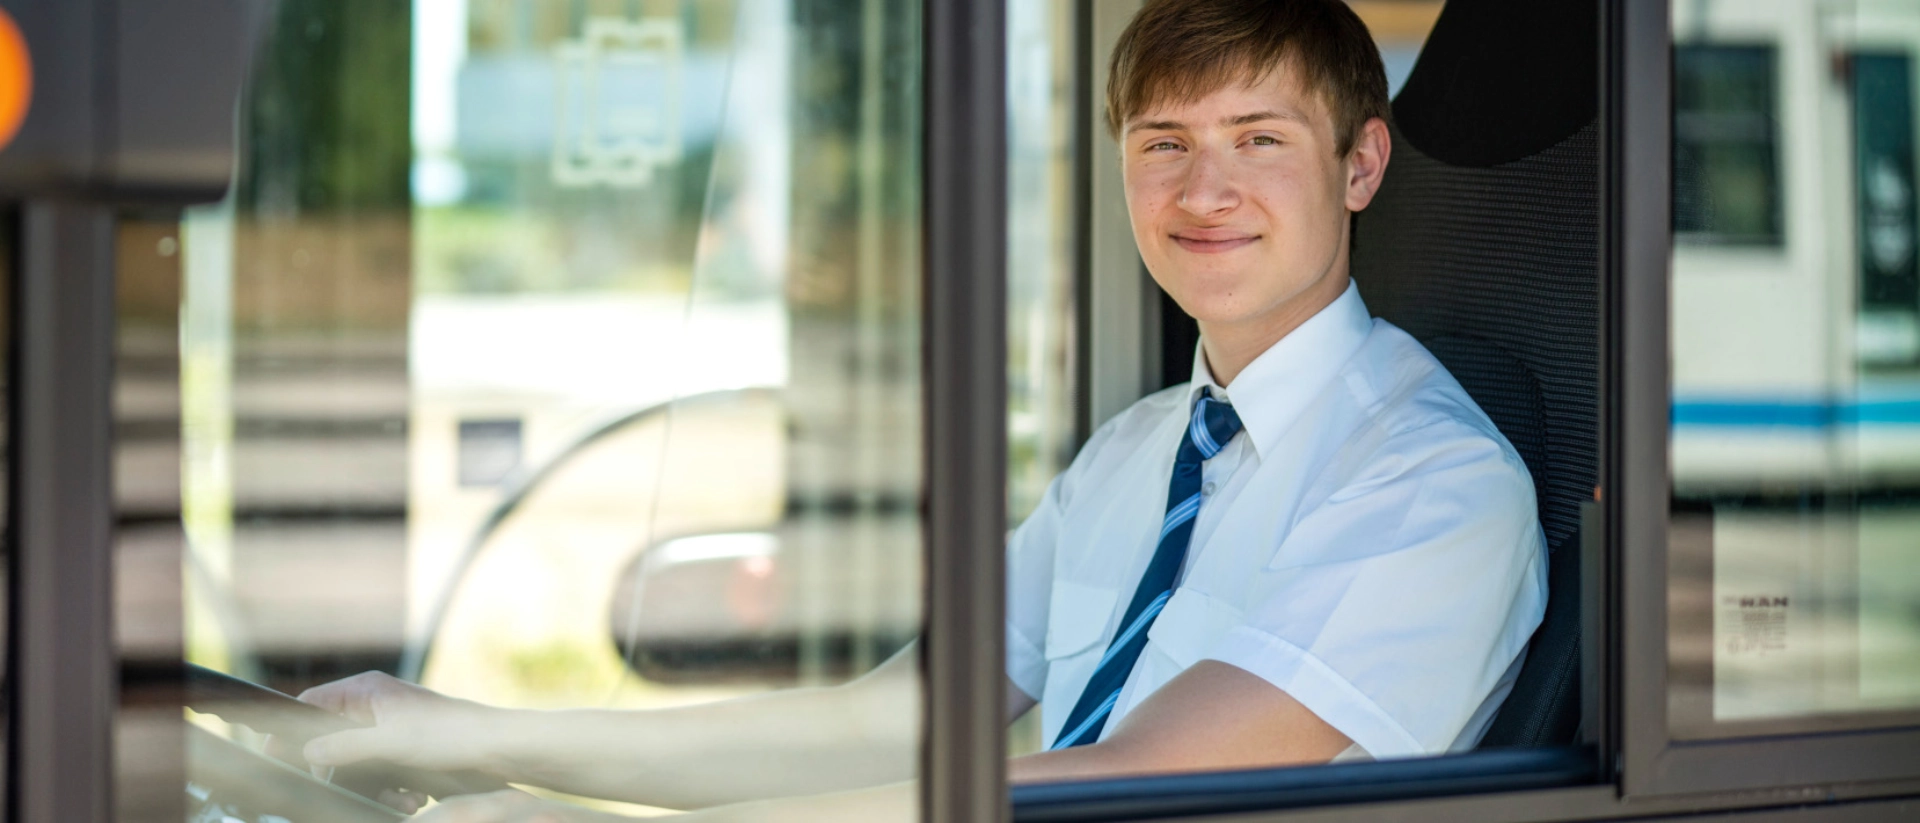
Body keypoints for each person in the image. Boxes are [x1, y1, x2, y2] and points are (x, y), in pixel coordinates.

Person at [288, 0, 1545, 819]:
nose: (1203, 189)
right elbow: (878, 724)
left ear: (1360, 164)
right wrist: (477, 736)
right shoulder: (1132, 455)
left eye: (1259, 138)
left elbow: (1123, 786)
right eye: (1163, 142)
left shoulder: (1433, 482)